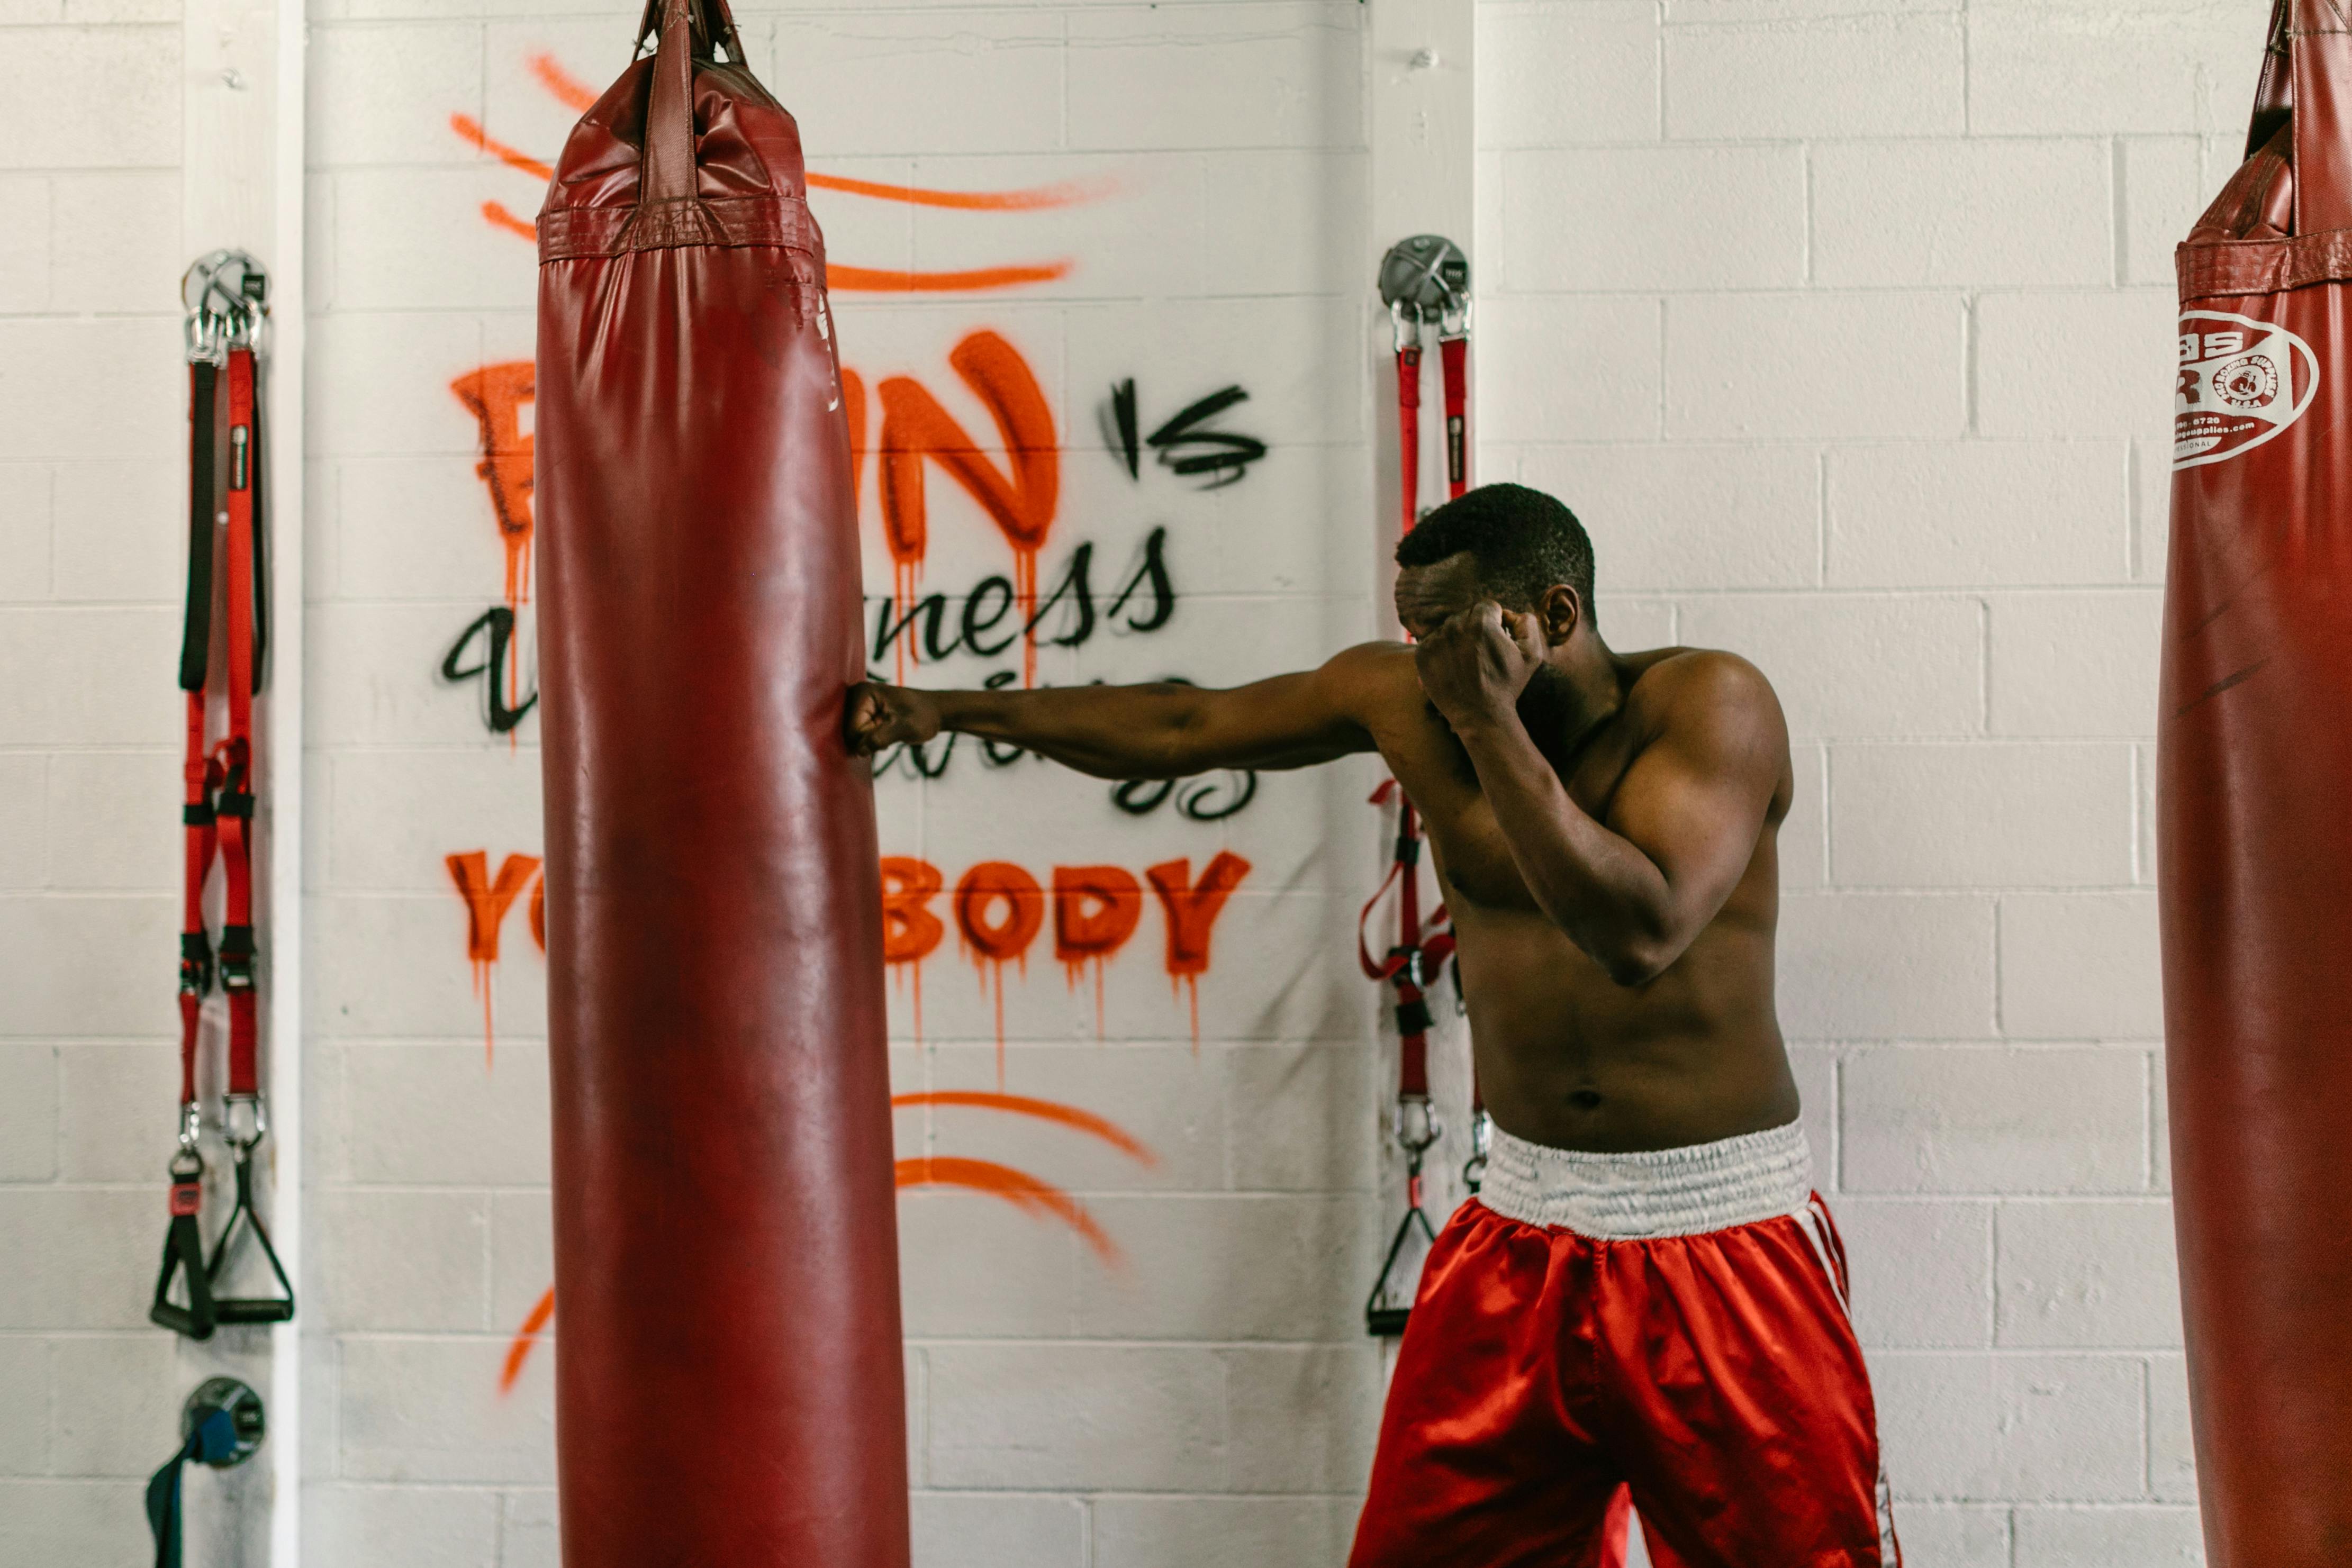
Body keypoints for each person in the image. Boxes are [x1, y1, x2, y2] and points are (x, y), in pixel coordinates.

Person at [846, 482, 1901, 1567]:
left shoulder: (1708, 705)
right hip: (1520, 1230)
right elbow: (1184, 724)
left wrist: (1490, 722)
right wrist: (943, 712)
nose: (1428, 661)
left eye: (1453, 635)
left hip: (1719, 1237)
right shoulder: (1410, 704)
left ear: (1552, 616)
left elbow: (1634, 933)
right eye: (1414, 631)